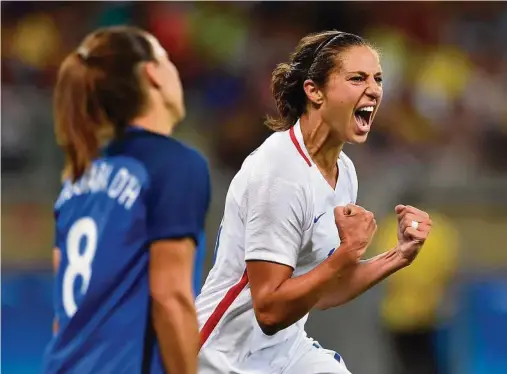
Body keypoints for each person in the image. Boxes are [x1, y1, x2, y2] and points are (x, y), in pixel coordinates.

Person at [195, 30, 433, 374]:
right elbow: (269, 312)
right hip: (225, 358)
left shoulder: (344, 171)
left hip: (286, 351)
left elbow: (322, 292)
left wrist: (398, 255)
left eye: (378, 79)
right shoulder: (279, 171)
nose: (375, 89)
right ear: (314, 91)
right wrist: (346, 255)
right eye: (357, 78)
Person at [43, 26, 210, 374]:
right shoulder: (173, 164)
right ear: (153, 73)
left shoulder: (77, 178)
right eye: (166, 58)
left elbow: (63, 316)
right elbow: (171, 297)